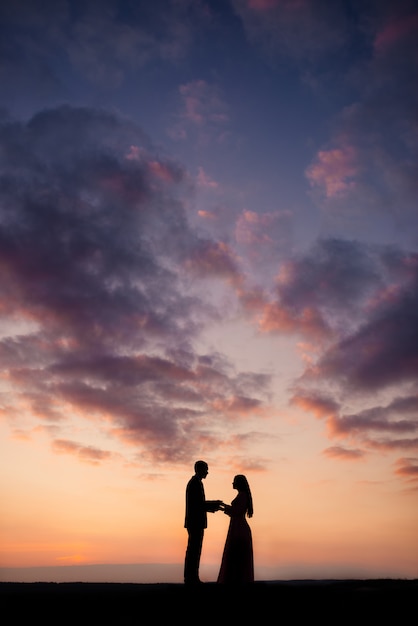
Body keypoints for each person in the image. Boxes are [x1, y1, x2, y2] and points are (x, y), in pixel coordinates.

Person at [184, 460, 223, 585]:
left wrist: (214, 504)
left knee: (194, 550)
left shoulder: (195, 483)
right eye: (206, 469)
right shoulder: (195, 483)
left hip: (195, 522)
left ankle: (192, 577)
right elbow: (198, 505)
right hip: (195, 522)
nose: (207, 472)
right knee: (194, 550)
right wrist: (214, 504)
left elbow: (199, 504)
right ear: (200, 470)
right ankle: (191, 578)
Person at [217, 474, 254, 584]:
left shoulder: (242, 496)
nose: (232, 483)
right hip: (237, 526)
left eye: (234, 481)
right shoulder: (242, 495)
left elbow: (236, 512)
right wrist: (224, 507)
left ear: (238, 483)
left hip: (239, 529)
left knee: (237, 555)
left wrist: (223, 507)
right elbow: (235, 511)